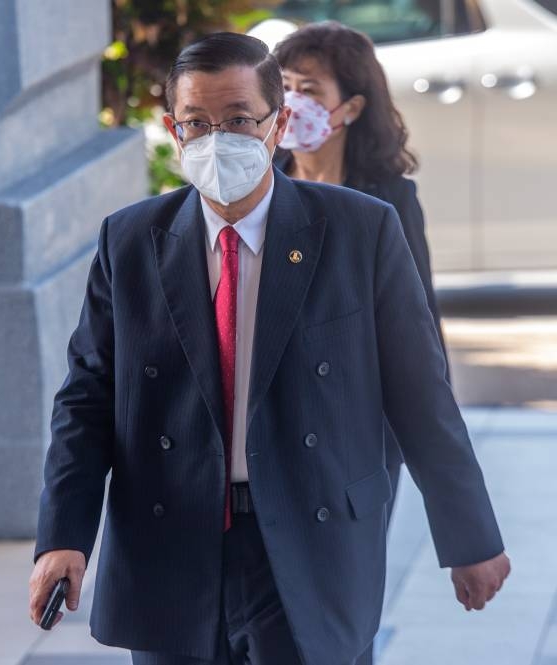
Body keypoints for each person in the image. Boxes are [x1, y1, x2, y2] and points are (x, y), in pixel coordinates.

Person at [29, 32, 509, 665]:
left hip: (311, 535)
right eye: (197, 123)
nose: (216, 139)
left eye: (237, 120)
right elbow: (87, 398)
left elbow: (420, 393)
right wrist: (63, 536)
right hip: (171, 536)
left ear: (278, 123)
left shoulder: (358, 231)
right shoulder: (131, 240)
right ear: (173, 130)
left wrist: (468, 535)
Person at [274, 21, 450, 516]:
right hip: (277, 416)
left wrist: (432, 433)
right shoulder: (263, 185)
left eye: (308, 90)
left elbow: (417, 318)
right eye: (284, 86)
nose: (292, 102)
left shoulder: (388, 200)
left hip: (360, 423)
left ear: (350, 107)